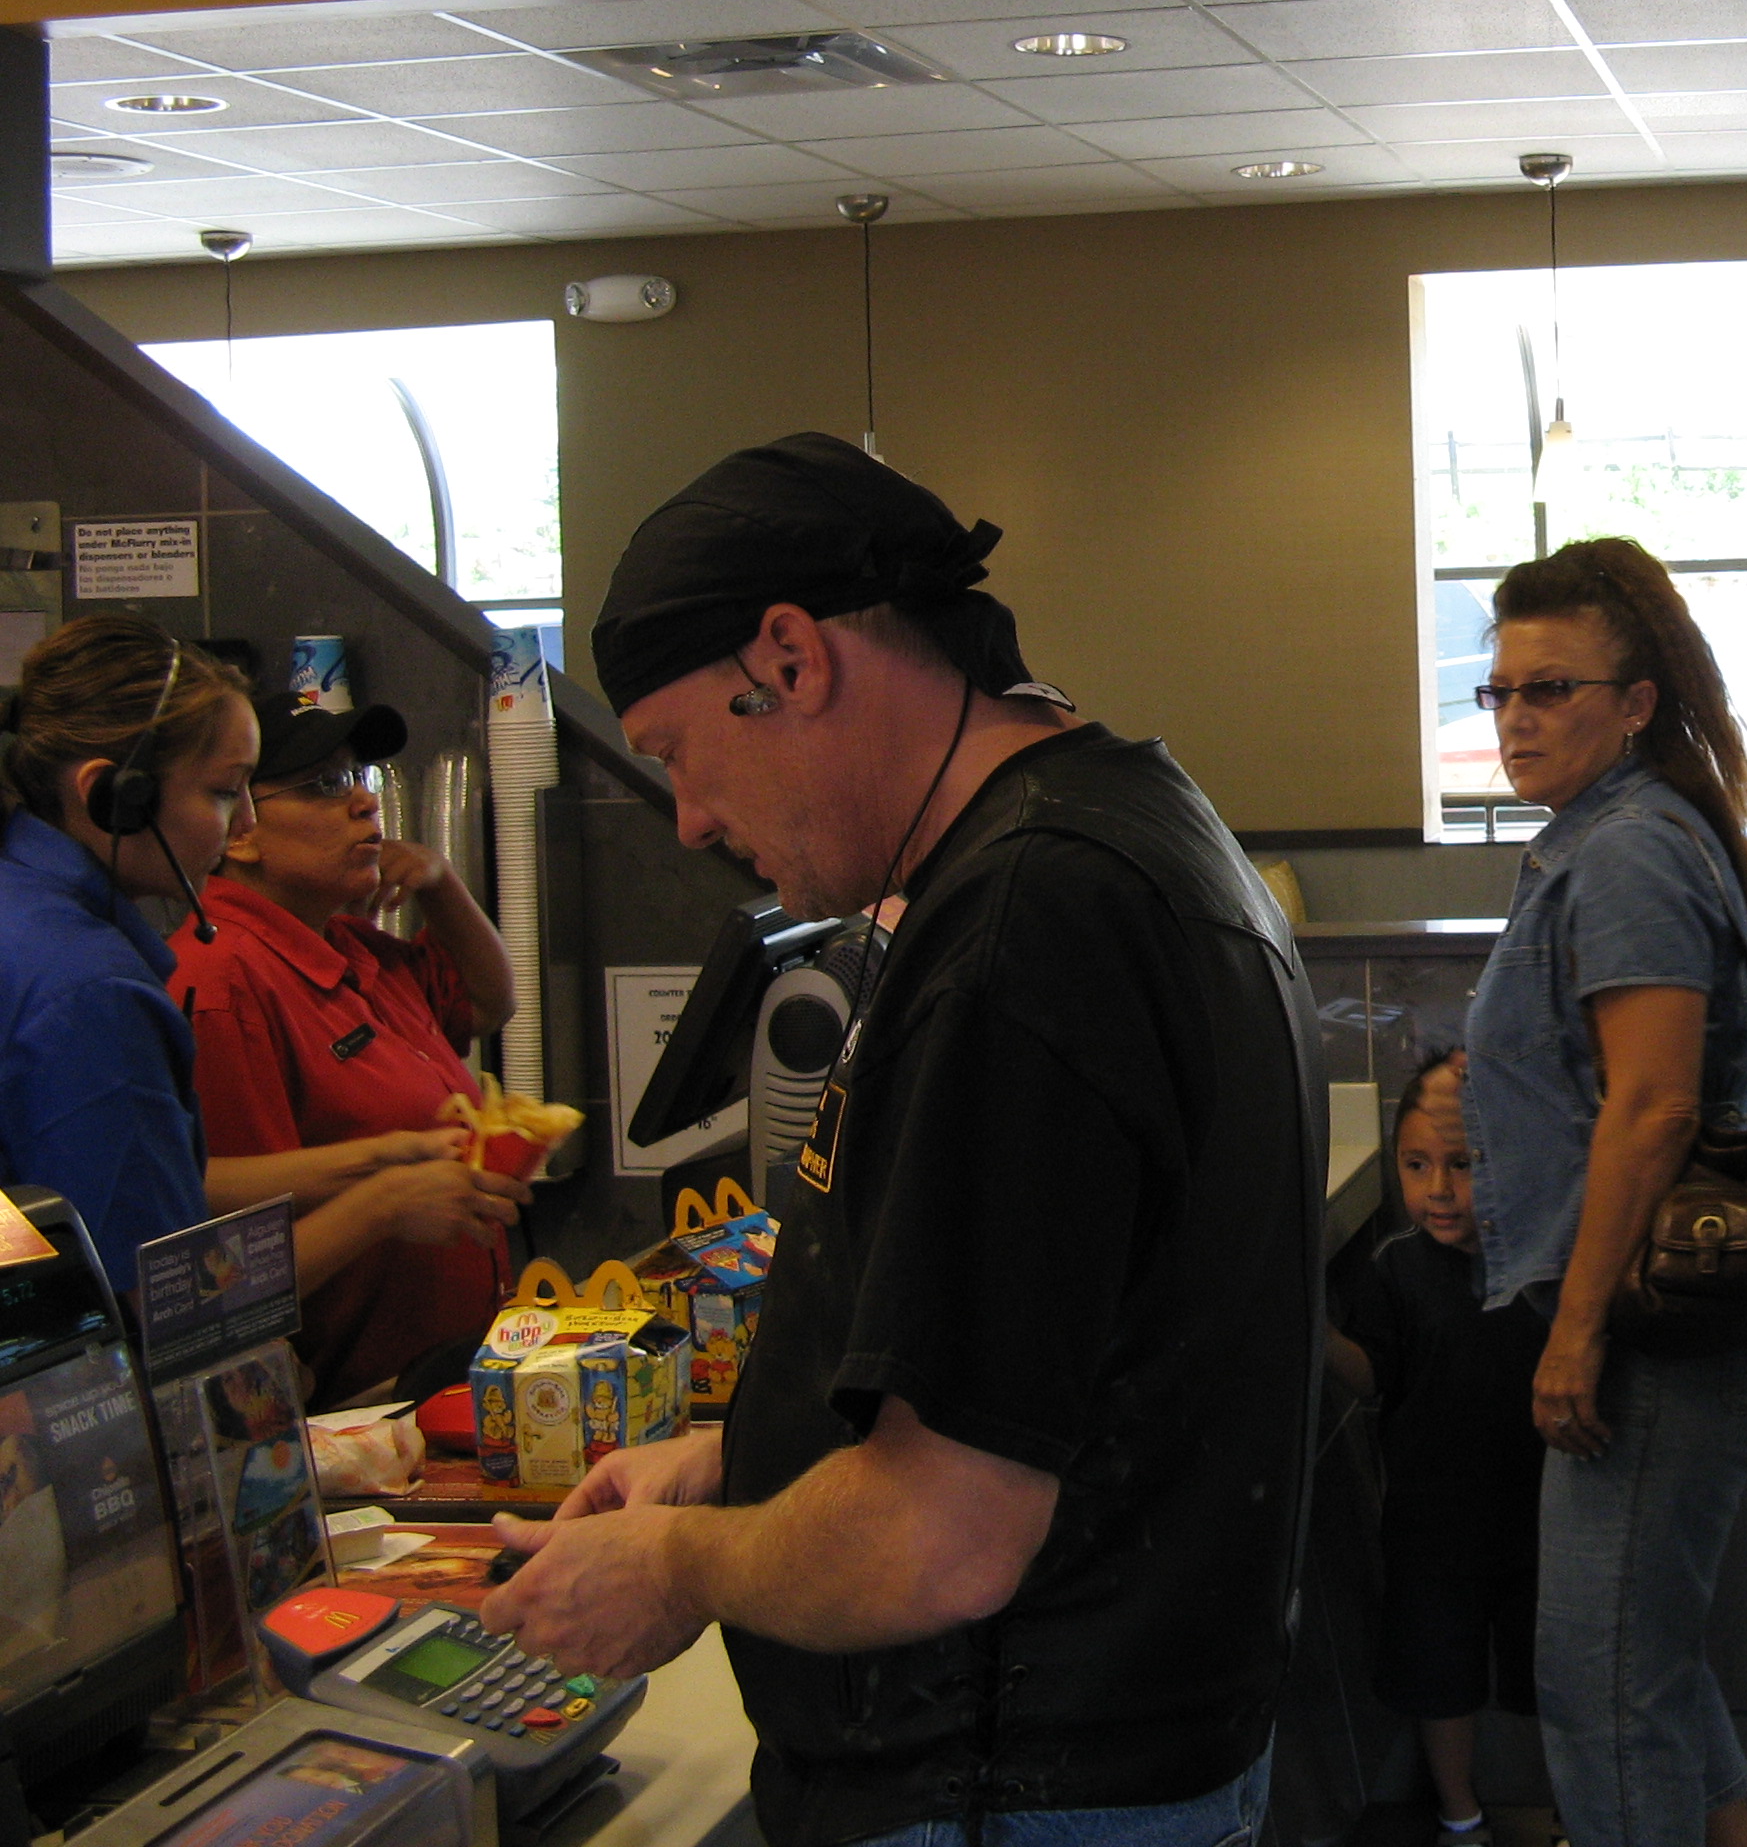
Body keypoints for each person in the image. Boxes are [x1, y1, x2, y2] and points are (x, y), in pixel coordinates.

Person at [482, 433, 1321, 1847]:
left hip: (1014, 1790)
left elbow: (945, 1536)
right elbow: (1045, 1370)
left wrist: (679, 1566)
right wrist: (742, 1466)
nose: (689, 820)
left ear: (792, 659)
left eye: (678, 753)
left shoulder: (1025, 924)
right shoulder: (1134, 823)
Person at [1461, 537, 1747, 1847]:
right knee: (1639, 1654)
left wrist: (1578, 1331)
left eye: (1552, 690)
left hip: (1650, 1326)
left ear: (1637, 701)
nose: (1518, 719)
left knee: (1599, 1685)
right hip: (1656, 1316)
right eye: (1501, 691)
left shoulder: (1628, 852)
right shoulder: (1609, 834)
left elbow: (1652, 1107)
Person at [176, 694, 530, 1402]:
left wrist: (441, 883)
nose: (366, 803)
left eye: (359, 778)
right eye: (326, 785)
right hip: (349, 1400)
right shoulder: (223, 980)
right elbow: (232, 1247)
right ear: (241, 831)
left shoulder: (346, 943)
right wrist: (385, 1197)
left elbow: (489, 1003)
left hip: (435, 1379)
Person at [1326, 1047, 1548, 1847]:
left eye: (1464, 1163)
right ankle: (1461, 1815)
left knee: (1555, 1673)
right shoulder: (1396, 1270)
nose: (1440, 1190)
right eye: (1416, 1166)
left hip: (1539, 1517)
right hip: (1432, 1524)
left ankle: (1575, 1806)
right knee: (1438, 1675)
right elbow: (1372, 1374)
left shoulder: (1545, 1264)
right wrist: (1315, 1333)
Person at [0, 616, 256, 1288]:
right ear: (112, 798)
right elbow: (152, 1293)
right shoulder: (92, 994)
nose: (248, 822)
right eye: (225, 792)